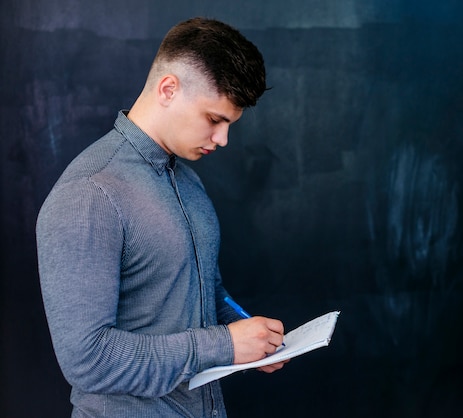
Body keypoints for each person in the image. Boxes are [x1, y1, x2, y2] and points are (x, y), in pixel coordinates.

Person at [36, 17, 287, 417]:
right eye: (214, 120)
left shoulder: (188, 182)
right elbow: (88, 360)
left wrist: (250, 335)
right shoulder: (90, 193)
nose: (222, 140)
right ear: (168, 89)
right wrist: (225, 344)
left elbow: (207, 290)